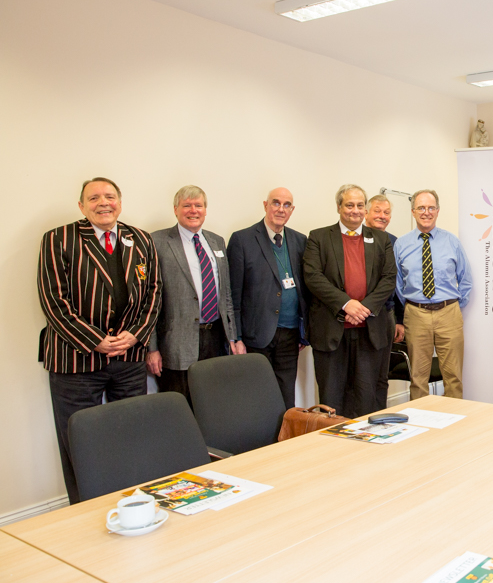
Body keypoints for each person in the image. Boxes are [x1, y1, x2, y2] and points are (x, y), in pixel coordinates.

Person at [38, 177, 162, 503]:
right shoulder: (58, 239)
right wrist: (95, 340)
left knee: (132, 433)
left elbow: (154, 294)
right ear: (81, 206)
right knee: (80, 443)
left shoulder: (141, 239)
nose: (103, 203)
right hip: (76, 361)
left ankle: (134, 503)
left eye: (109, 196)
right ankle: (83, 511)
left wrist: (135, 334)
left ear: (120, 202)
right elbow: (54, 302)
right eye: (94, 198)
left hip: (129, 358)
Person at [303, 184, 396, 417]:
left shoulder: (381, 239)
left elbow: (388, 278)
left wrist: (364, 308)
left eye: (359, 205)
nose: (355, 210)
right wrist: (347, 304)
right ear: (339, 207)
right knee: (332, 398)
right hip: (332, 331)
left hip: (370, 330)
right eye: (349, 205)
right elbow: (313, 277)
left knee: (367, 397)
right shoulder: (319, 237)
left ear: (365, 209)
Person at [147, 186, 237, 401]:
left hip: (215, 337)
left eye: (198, 205)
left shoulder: (217, 241)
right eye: (187, 205)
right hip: (176, 342)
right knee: (179, 403)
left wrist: (233, 336)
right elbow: (148, 300)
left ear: (205, 210)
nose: (193, 210)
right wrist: (152, 348)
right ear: (176, 209)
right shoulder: (156, 242)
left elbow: (226, 295)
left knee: (213, 401)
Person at [227, 187, 309, 409]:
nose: (280, 209)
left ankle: (285, 442)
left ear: (292, 210)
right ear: (265, 205)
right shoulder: (242, 239)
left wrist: (304, 330)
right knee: (256, 397)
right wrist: (236, 337)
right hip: (256, 335)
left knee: (286, 396)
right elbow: (232, 295)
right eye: (276, 203)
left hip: (290, 334)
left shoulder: (300, 241)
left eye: (286, 205)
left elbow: (305, 288)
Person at [394, 189, 472, 400]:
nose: (426, 212)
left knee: (453, 376)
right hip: (416, 314)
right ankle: (421, 426)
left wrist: (453, 305)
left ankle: (453, 424)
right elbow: (397, 283)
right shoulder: (401, 244)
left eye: (430, 208)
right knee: (418, 378)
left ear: (437, 211)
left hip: (448, 312)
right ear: (413, 211)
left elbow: (465, 279)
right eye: (421, 208)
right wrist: (412, 305)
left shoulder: (452, 242)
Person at [365, 194, 405, 409]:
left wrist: (400, 319)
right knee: (361, 373)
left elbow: (398, 285)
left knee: (382, 372)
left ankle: (380, 415)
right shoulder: (354, 238)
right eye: (377, 211)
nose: (382, 216)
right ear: (366, 213)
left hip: (386, 315)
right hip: (358, 315)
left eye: (386, 212)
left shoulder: (394, 242)